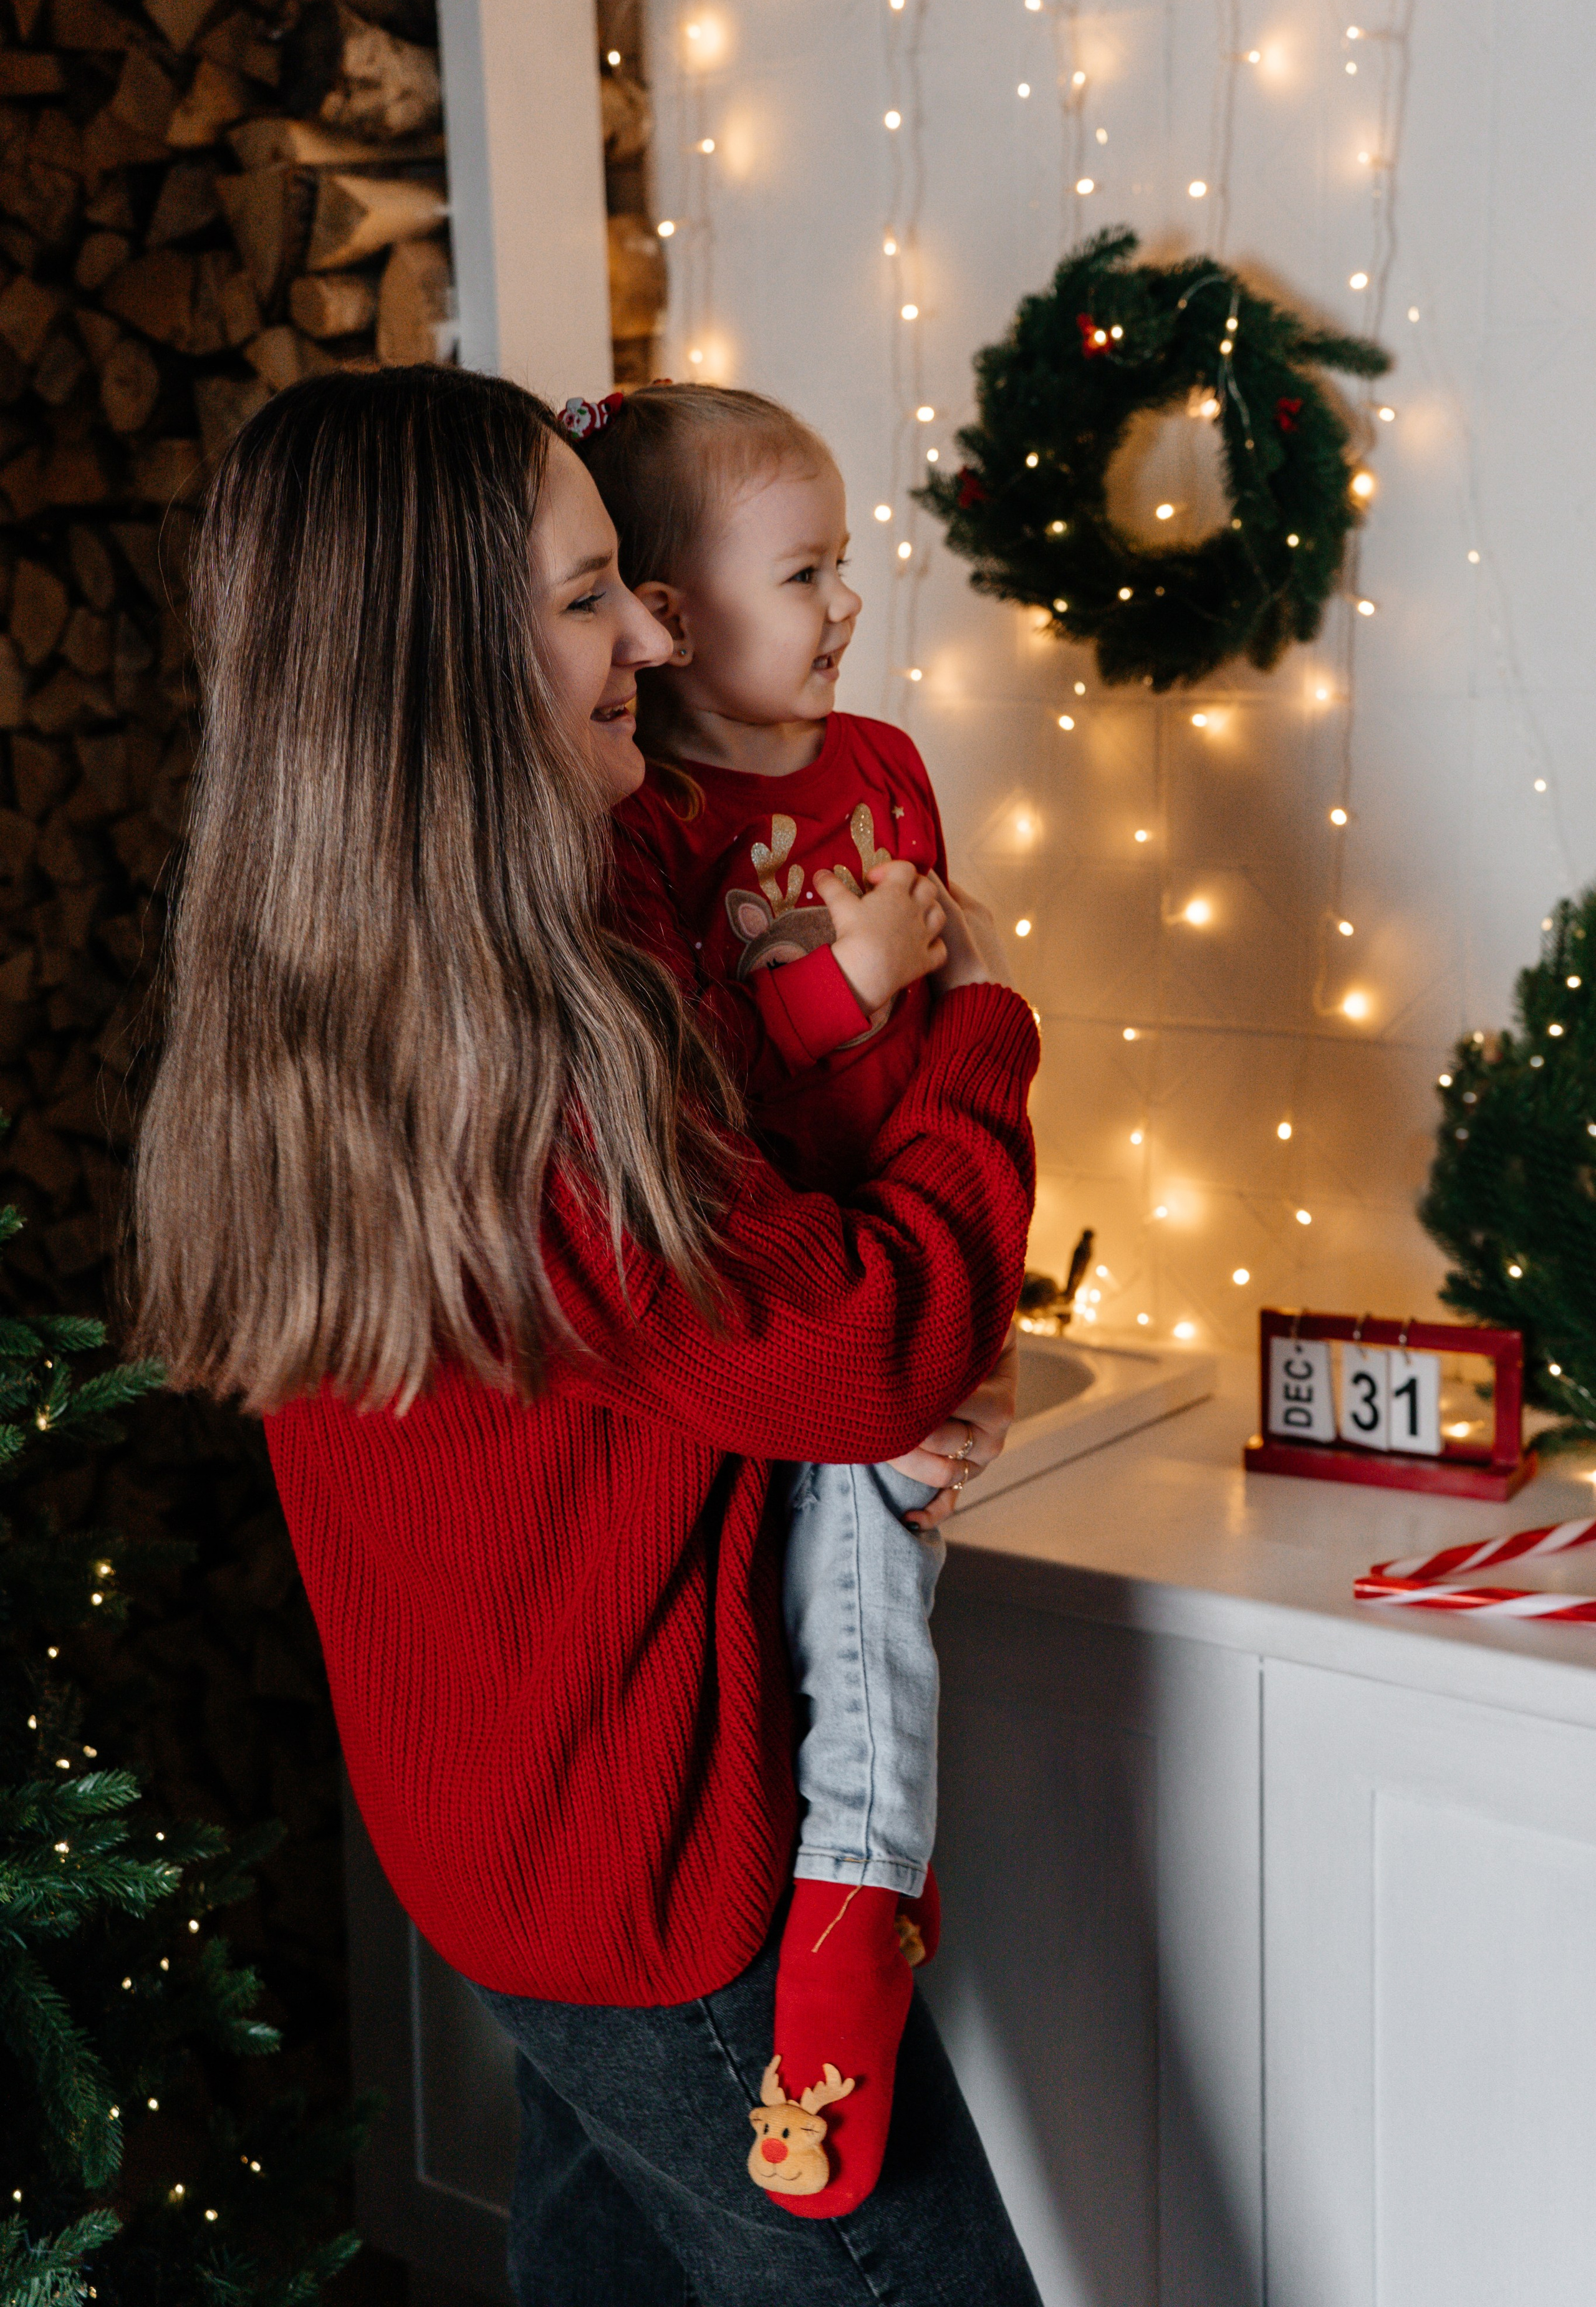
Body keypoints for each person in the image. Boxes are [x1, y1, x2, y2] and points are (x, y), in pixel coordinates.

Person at [133, 366, 1044, 2307]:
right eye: (584, 598)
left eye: (636, 578)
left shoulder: (357, 984)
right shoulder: (527, 1058)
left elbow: (704, 1355)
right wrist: (979, 1030)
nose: (652, 633)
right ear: (439, 670)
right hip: (654, 1872)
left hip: (513, 1829)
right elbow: (857, 1341)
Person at [572, 380, 1004, 2218]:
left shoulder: (883, 763)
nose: (845, 607)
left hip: (876, 1270)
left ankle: (858, 1866)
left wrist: (951, 1318)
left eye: (847, 567)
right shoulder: (643, 827)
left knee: (869, 1568)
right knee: (849, 1603)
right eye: (804, 571)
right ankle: (857, 1886)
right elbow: (698, 1096)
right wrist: (862, 979)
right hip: (767, 1301)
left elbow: (946, 1039)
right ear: (667, 611)